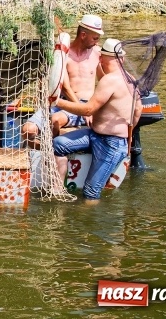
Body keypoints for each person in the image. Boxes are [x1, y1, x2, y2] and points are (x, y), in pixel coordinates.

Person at [52, 38, 143, 202]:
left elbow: (88, 109)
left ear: (108, 58)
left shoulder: (111, 80)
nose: (99, 59)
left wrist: (57, 102)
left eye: (102, 57)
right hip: (94, 134)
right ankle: (58, 188)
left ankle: (88, 223)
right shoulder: (131, 79)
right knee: (58, 144)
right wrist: (128, 135)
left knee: (91, 193)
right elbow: (138, 110)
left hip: (111, 144)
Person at [22, 14, 104, 146]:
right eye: (95, 38)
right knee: (28, 131)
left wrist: (91, 109)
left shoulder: (97, 53)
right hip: (63, 102)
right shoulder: (64, 54)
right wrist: (82, 110)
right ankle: (47, 150)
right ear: (83, 35)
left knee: (55, 120)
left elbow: (104, 81)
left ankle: (54, 148)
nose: (97, 42)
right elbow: (65, 88)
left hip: (86, 104)